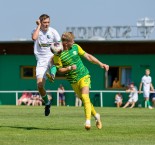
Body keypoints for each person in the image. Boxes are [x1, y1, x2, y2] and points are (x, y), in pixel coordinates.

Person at [47, 32, 109, 130]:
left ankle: (88, 121)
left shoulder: (76, 47)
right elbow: (60, 70)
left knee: (85, 97)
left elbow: (88, 56)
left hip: (84, 75)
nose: (74, 42)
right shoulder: (58, 54)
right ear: (66, 43)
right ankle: (97, 116)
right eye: (72, 41)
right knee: (85, 101)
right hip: (73, 81)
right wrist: (69, 68)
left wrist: (101, 64)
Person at [31, 14, 61, 116]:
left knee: (52, 60)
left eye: (48, 22)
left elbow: (59, 45)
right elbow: (34, 37)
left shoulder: (53, 32)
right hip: (41, 61)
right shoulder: (37, 31)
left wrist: (58, 52)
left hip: (51, 57)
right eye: (44, 22)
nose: (47, 24)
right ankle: (47, 103)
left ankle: (52, 75)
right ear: (40, 22)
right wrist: (38, 26)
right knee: (40, 85)